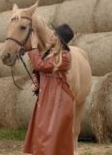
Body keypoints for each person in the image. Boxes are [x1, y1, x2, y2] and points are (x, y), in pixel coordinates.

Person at [23, 23, 75, 155]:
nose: (50, 34)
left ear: (59, 38)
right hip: (48, 98)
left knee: (50, 138)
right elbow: (39, 70)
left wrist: (34, 48)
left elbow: (41, 65)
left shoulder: (65, 57)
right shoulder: (49, 53)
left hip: (59, 101)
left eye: (54, 33)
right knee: (42, 136)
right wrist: (37, 83)